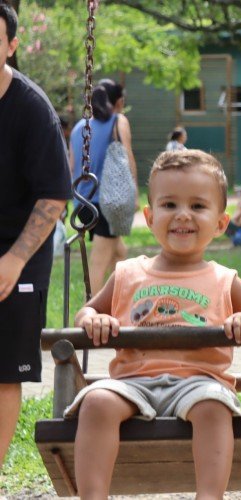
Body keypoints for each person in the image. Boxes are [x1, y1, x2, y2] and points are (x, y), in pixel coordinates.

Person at [64, 149, 241, 497]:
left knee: (214, 407)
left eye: (197, 206)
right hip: (132, 381)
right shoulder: (127, 273)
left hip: (199, 381)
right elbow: (86, 312)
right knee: (97, 401)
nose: (182, 216)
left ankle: (209, 495)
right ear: (149, 217)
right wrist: (93, 320)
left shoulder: (225, 280)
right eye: (169, 205)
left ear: (221, 223)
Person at [0, 2, 72, 467]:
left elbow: (53, 196)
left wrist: (14, 259)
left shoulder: (31, 108)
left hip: (15, 254)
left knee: (3, 374)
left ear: (11, 46)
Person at [69, 78, 139, 295]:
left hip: (82, 204)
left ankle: (117, 301)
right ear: (118, 102)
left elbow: (72, 166)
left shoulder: (79, 126)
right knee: (99, 261)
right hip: (107, 203)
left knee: (119, 252)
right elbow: (127, 156)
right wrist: (134, 192)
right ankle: (90, 312)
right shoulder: (118, 120)